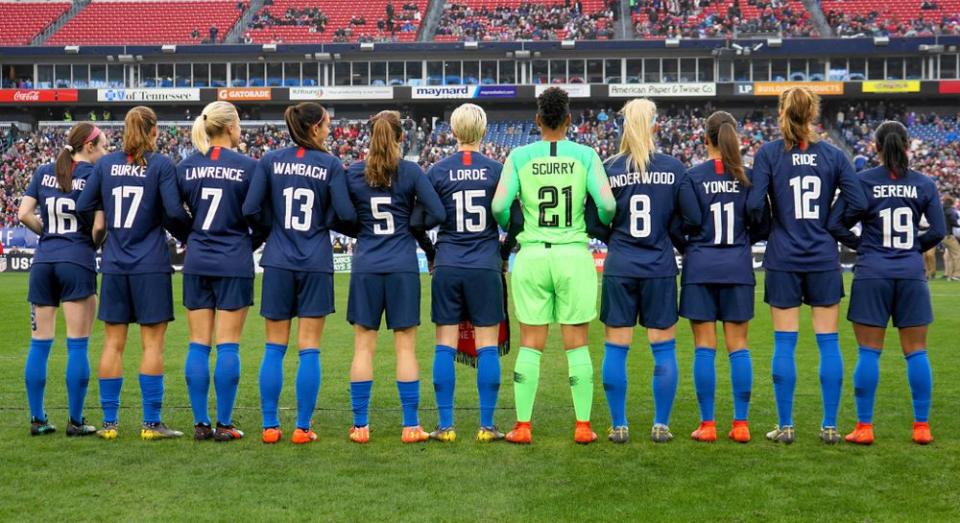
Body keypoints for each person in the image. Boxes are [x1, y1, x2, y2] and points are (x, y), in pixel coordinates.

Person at [491, 87, 616, 445]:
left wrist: (518, 221)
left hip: (531, 255)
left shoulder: (519, 155)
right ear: (569, 120)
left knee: (531, 343)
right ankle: (582, 426)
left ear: (537, 120)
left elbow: (500, 207)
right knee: (576, 344)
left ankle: (523, 426)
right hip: (573, 254)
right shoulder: (586, 154)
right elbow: (607, 207)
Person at [747, 86, 868, 445]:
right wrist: (831, 223)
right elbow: (857, 200)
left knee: (784, 344)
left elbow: (755, 205)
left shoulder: (768, 154)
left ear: (782, 112)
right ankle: (829, 426)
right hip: (822, 257)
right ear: (813, 114)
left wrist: (772, 228)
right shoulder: (833, 155)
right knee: (828, 344)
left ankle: (785, 426)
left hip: (783, 257)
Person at [243, 102, 355, 445]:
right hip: (315, 262)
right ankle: (303, 428)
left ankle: (269, 426)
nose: (329, 130)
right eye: (326, 125)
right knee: (309, 349)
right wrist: (326, 220)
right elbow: (347, 214)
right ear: (315, 128)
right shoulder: (331, 164)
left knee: (274, 348)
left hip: (277, 259)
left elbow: (250, 208)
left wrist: (272, 226)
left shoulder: (270, 160)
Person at [76, 106, 191, 440]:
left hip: (114, 263)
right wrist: (190, 236)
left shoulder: (107, 164)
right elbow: (172, 212)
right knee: (152, 345)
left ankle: (110, 424)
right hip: (151, 265)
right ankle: (151, 423)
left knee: (113, 344)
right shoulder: (161, 165)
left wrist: (103, 224)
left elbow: (83, 205)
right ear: (153, 131)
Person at [828, 121, 945, 445]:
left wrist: (861, 245)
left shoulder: (863, 182)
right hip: (910, 274)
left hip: (872, 272)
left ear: (877, 147)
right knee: (917, 352)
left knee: (868, 352)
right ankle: (922, 428)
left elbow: (834, 223)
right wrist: (911, 249)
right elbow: (937, 230)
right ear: (907, 145)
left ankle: (864, 428)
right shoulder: (924, 183)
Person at [587, 98, 686, 444]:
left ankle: (619, 425)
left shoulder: (609, 167)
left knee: (616, 347)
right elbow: (685, 220)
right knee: (663, 349)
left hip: (621, 265)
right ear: (656, 126)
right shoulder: (674, 168)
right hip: (659, 266)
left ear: (623, 127)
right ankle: (661, 424)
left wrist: (614, 235)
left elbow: (592, 221)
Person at [344, 110, 444, 444]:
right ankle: (411, 426)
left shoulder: (354, 173)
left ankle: (361, 427)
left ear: (369, 137)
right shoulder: (411, 172)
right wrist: (411, 222)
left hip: (366, 265)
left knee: (363, 348)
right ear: (401, 137)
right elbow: (437, 212)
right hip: (402, 264)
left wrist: (360, 227)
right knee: (405, 349)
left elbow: (341, 215)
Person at [677, 112, 769, 444]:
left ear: (706, 139)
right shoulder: (749, 177)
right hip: (737, 266)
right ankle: (741, 424)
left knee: (704, 347)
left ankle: (708, 424)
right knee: (739, 347)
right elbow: (763, 223)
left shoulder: (692, 176)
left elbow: (685, 223)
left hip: (701, 266)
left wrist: (692, 246)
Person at [422, 103, 506, 443]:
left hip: (448, 262)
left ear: (453, 132)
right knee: (487, 345)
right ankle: (486, 427)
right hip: (485, 263)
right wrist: (502, 251)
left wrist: (431, 254)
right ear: (483, 132)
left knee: (444, 344)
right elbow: (512, 220)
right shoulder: (497, 169)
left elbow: (421, 219)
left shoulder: (438, 170)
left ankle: (446, 427)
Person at [19, 122, 107, 436]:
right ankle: (76, 420)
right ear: (90, 146)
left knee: (39, 345)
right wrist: (88, 244)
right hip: (77, 261)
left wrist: (50, 234)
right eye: (104, 146)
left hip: (44, 262)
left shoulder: (44, 170)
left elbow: (23, 213)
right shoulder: (95, 176)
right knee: (77, 346)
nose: (106, 152)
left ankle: (38, 419)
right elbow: (98, 228)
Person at [177, 101, 258, 442]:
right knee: (228, 346)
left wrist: (192, 238)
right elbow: (261, 217)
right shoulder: (249, 167)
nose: (241, 132)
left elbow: (170, 211)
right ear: (228, 128)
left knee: (198, 345)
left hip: (197, 260)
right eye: (239, 125)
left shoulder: (185, 167)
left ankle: (200, 423)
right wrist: (245, 244)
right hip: (233, 262)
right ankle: (224, 424)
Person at [941, 196, 960, 280]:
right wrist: (957, 224)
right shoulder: (950, 210)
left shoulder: (941, 210)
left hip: (942, 236)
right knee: (957, 254)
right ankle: (956, 274)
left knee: (948, 255)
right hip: (949, 235)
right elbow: (953, 220)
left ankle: (948, 274)